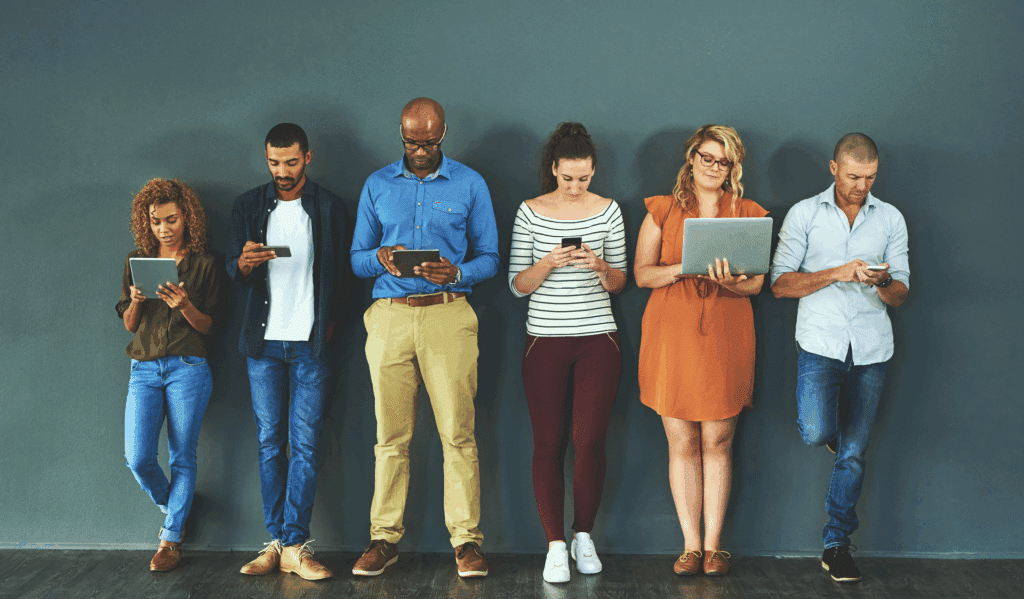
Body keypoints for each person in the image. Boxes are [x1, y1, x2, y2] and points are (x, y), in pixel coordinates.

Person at [349, 98, 499, 578]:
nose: (419, 150)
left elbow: (491, 257)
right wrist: (381, 258)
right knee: (390, 436)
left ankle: (466, 542)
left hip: (448, 315)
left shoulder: (470, 183)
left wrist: (455, 271)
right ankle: (383, 539)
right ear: (401, 134)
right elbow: (356, 258)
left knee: (458, 432)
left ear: (444, 134)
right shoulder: (377, 184)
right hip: (390, 316)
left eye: (428, 143)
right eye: (411, 142)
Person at [771, 133, 909, 583]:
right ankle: (833, 432)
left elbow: (902, 294)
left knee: (853, 454)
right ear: (834, 168)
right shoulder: (805, 214)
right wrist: (837, 272)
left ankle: (836, 545)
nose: (861, 186)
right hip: (821, 345)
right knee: (817, 432)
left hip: (872, 348)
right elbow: (780, 284)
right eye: (853, 176)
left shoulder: (890, 218)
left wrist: (879, 283)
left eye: (869, 177)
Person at [634, 125, 767, 577]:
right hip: (672, 333)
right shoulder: (663, 209)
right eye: (707, 158)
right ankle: (690, 546)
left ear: (734, 168)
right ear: (691, 159)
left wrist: (731, 281)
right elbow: (641, 275)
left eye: (724, 161)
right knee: (682, 440)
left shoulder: (748, 212)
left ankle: (714, 548)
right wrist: (681, 268)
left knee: (718, 440)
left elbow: (756, 284)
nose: (714, 167)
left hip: (727, 332)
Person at [227, 123, 348, 581]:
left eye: (291, 162)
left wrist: (329, 327)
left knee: (305, 444)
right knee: (267, 443)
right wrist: (242, 262)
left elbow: (342, 278)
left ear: (308, 158)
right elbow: (231, 271)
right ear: (266, 159)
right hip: (262, 344)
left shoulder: (329, 206)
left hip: (311, 343)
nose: (282, 171)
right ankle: (275, 542)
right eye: (274, 163)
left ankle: (295, 543)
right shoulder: (248, 205)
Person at [507, 123, 627, 583]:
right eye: (567, 178)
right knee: (548, 445)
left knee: (590, 441)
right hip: (544, 341)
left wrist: (599, 265)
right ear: (553, 169)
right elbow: (518, 286)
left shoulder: (609, 210)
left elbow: (620, 283)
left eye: (584, 178)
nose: (575, 188)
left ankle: (583, 535)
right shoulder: (531, 212)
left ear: (593, 171)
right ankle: (555, 545)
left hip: (599, 339)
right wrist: (547, 262)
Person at [116, 178, 227, 572]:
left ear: (187, 218)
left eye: (171, 219)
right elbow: (130, 326)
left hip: (188, 368)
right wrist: (136, 302)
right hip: (144, 368)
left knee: (183, 456)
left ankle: (170, 539)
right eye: (155, 221)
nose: (163, 228)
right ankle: (175, 507)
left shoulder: (206, 264)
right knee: (137, 457)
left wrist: (184, 305)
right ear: (145, 222)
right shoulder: (136, 261)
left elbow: (210, 326)